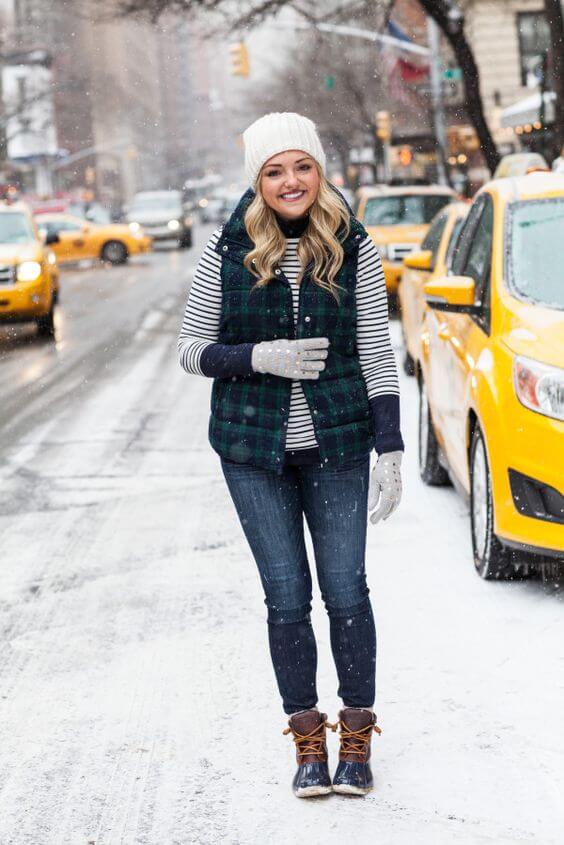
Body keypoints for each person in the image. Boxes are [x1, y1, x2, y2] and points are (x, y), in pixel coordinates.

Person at [178, 112, 404, 798]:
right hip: (252, 451)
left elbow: (376, 353)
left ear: (319, 171)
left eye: (300, 166)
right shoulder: (224, 252)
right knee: (285, 598)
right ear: (258, 181)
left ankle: (356, 736)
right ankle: (308, 737)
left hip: (337, 445)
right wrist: (260, 357)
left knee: (346, 593)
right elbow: (192, 349)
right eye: (274, 170)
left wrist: (389, 447)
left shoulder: (355, 248)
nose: (290, 181)